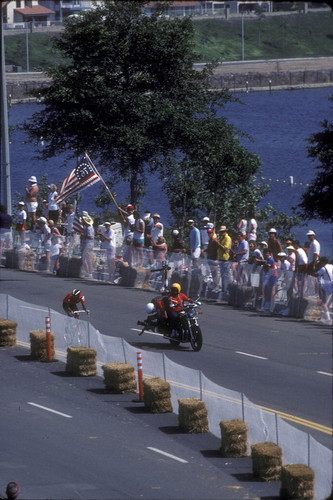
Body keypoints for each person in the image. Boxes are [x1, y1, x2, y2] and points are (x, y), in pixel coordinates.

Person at [316, 257, 333, 324]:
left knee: (324, 303)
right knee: (329, 303)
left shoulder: (323, 269)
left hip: (327, 285)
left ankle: (328, 319)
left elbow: (316, 274)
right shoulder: (331, 266)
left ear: (322, 262)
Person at [216, 225, 232, 294]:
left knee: (226, 275)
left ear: (225, 231)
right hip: (221, 258)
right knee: (223, 275)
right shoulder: (222, 238)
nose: (221, 233)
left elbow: (226, 248)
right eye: (221, 232)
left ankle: (227, 290)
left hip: (225, 259)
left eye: (222, 231)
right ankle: (224, 290)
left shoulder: (227, 238)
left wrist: (218, 243)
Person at [81, 212, 95, 279]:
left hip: (88, 243)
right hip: (87, 243)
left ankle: (89, 272)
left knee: (87, 259)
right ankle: (88, 272)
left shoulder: (89, 227)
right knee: (86, 258)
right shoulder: (86, 227)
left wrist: (84, 236)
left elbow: (90, 237)